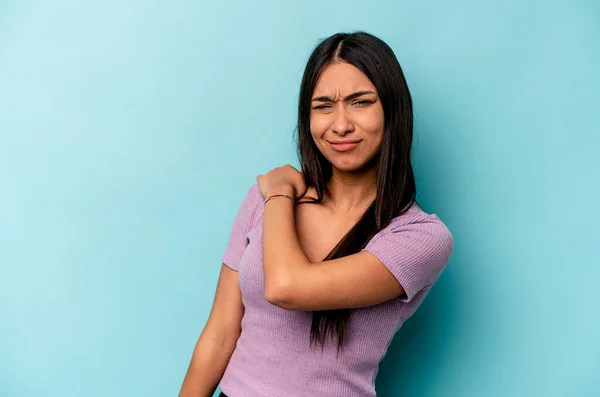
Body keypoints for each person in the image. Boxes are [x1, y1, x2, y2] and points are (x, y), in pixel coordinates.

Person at [179, 31, 454, 397]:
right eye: (323, 105)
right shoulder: (261, 201)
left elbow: (286, 287)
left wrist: (279, 194)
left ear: (393, 110)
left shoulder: (420, 237)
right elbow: (219, 334)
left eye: (360, 102)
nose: (340, 124)